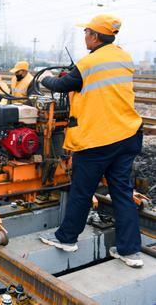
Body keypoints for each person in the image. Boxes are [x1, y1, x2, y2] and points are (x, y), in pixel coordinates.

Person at [38, 14, 144, 268]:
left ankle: (66, 238)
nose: (84, 36)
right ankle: (130, 252)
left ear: (95, 36)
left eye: (86, 32)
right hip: (127, 134)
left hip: (98, 139)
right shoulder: (123, 57)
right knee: (122, 192)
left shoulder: (89, 64)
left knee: (82, 191)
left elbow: (63, 84)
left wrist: (43, 79)